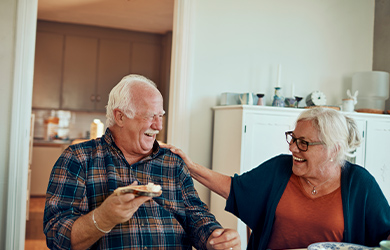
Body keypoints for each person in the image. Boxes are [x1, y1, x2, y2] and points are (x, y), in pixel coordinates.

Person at [43, 74, 241, 250]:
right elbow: (57, 237)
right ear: (119, 116)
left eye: (161, 116)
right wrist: (104, 218)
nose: (158, 126)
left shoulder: (173, 163)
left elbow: (195, 215)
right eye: (149, 116)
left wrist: (214, 236)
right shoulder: (78, 159)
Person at [162, 107, 390, 250]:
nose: (293, 148)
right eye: (293, 138)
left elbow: (385, 235)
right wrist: (190, 166)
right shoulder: (280, 168)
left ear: (333, 149)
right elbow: (235, 188)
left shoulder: (360, 183)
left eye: (304, 143)